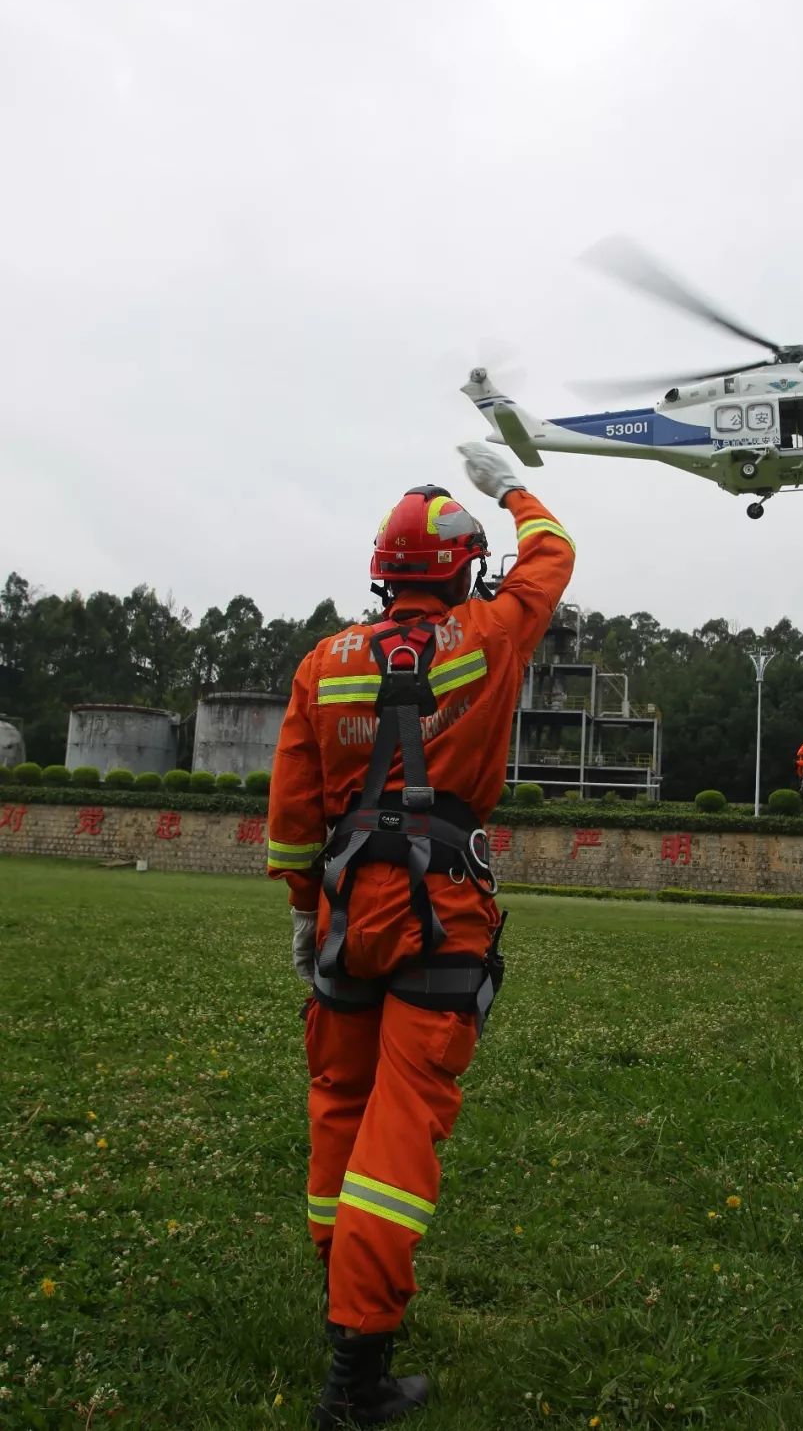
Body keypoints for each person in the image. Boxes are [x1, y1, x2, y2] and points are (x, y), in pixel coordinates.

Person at [268, 443, 574, 1428]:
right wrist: (512, 487)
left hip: (348, 916)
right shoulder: (490, 634)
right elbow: (554, 553)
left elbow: (291, 815)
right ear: (460, 565)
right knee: (400, 1132)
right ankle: (357, 1371)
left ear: (382, 570)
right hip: (443, 914)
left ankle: (338, 1300)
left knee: (338, 1109)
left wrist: (305, 914)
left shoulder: (325, 661)